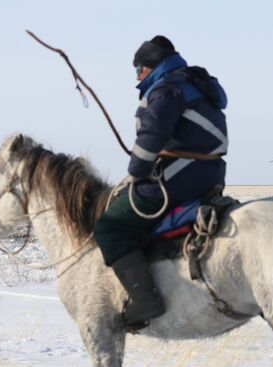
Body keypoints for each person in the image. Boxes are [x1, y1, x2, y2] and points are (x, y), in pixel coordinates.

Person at [93, 35, 228, 328]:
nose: (137, 76)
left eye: (138, 69)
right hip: (209, 173)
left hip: (180, 176)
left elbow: (150, 139)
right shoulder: (193, 83)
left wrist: (137, 171)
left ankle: (145, 301)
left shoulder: (166, 91)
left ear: (149, 67)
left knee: (110, 227)